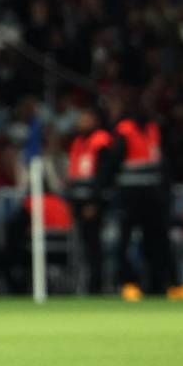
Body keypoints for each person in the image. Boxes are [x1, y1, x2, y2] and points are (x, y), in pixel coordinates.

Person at [112, 99, 183, 302]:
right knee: (126, 242)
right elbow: (113, 164)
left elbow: (163, 163)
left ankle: (168, 285)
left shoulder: (153, 130)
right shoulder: (125, 131)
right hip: (131, 197)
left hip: (154, 197)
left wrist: (165, 192)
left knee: (159, 242)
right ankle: (128, 284)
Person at [63, 107, 116, 294]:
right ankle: (85, 284)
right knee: (84, 245)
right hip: (78, 201)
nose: (81, 122)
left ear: (95, 120)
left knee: (94, 245)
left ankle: (96, 286)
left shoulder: (101, 141)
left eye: (85, 118)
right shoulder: (78, 141)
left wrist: (94, 202)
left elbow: (103, 175)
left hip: (92, 203)